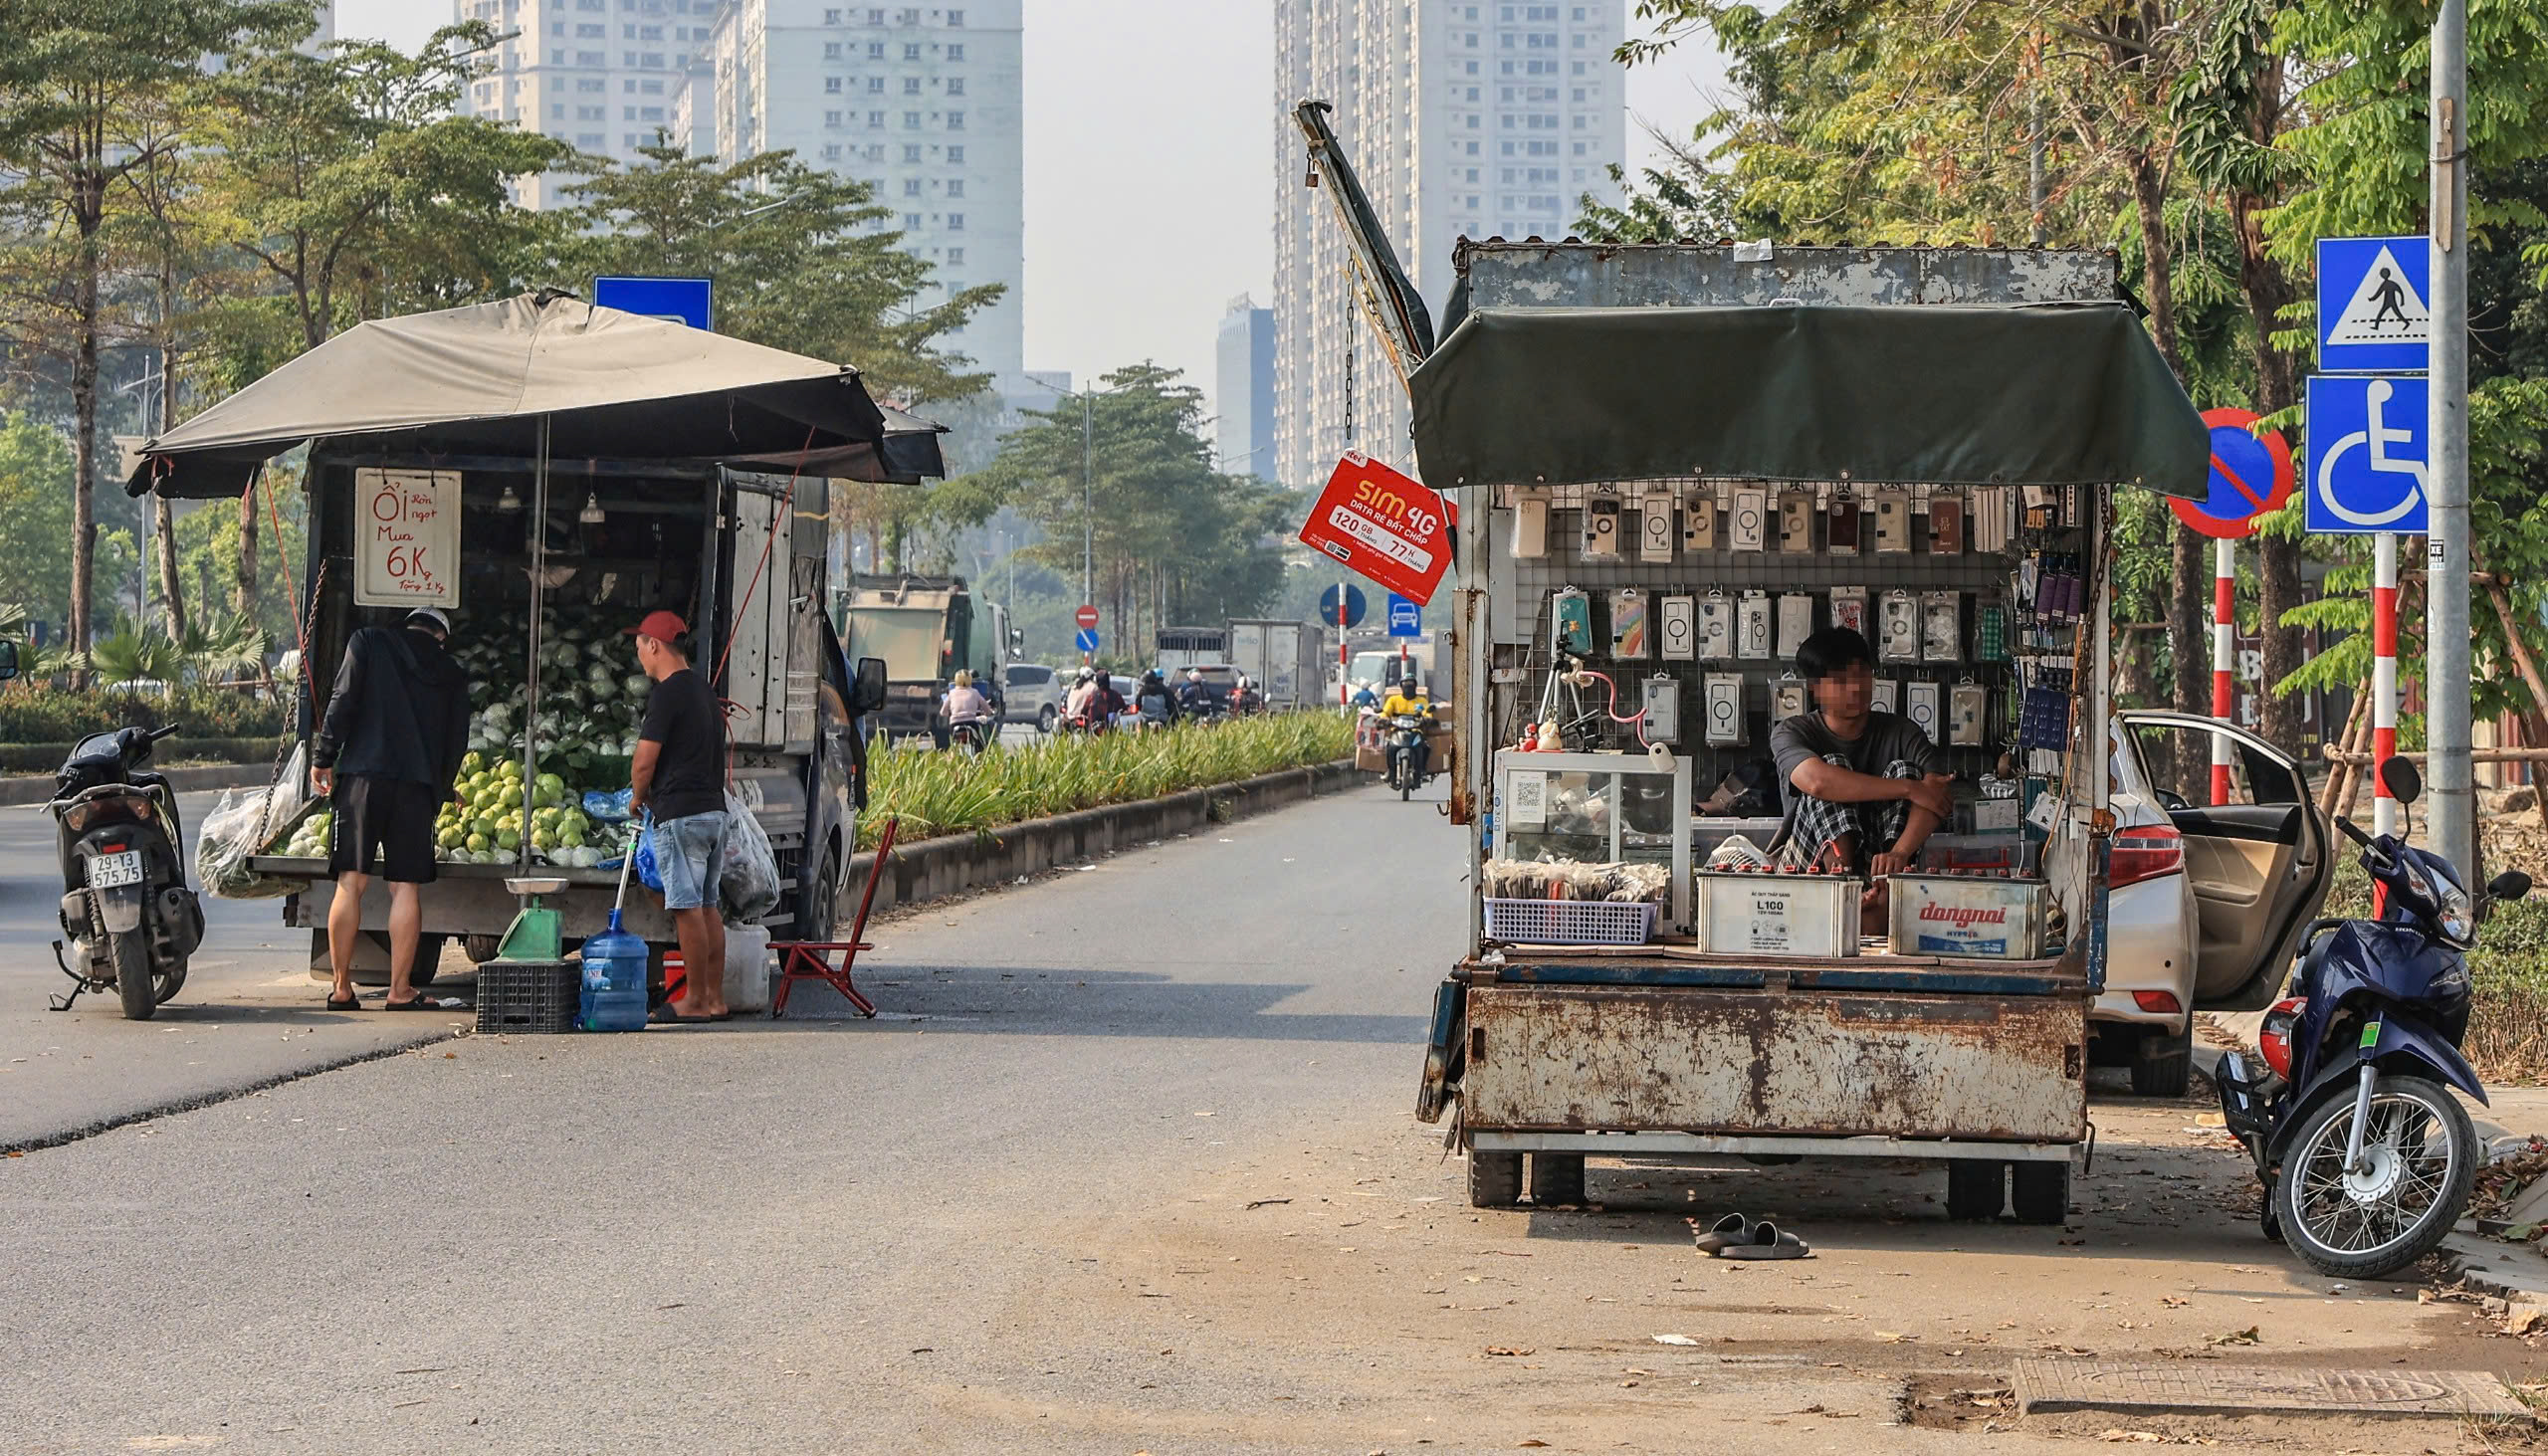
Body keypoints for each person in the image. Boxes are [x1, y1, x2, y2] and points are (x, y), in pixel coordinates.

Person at [311, 606, 469, 1011]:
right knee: (405, 887)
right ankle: (400, 991)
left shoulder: (369, 642)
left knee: (351, 882)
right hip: (415, 787)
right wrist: (440, 789)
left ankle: (342, 988)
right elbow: (456, 741)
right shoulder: (450, 671)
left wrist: (324, 755)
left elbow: (343, 698)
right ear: (441, 637)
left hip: (362, 778)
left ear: (407, 623)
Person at [1769, 626, 1955, 928]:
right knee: (1832, 768)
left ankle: (1878, 891)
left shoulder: (1902, 732)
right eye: (1840, 681)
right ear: (1815, 687)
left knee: (1905, 768)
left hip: (1878, 865)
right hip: (1807, 869)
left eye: (1861, 676)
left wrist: (1899, 852)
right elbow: (1817, 781)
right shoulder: (1792, 731)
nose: (1855, 688)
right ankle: (1842, 885)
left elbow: (1936, 796)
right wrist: (1909, 789)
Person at [627, 610, 731, 1023]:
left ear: (654, 645)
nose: (640, 658)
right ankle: (716, 998)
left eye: (639, 648)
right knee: (708, 906)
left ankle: (695, 1000)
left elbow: (644, 761)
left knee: (686, 907)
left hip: (681, 815)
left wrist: (637, 797)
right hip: (713, 813)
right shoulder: (704, 690)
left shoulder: (667, 694)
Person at [1379, 675, 1435, 784]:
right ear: (1401, 687)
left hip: (1415, 731)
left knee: (1425, 747)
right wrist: (1384, 719)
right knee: (1390, 747)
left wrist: (1427, 719)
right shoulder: (1393, 700)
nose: (1408, 688)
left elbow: (1427, 713)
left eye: (1411, 685)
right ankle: (1390, 771)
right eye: (1405, 685)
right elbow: (1385, 712)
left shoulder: (1421, 701)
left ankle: (1422, 771)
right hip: (1397, 730)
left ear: (1415, 686)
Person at [943, 669, 993, 748]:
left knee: (951, 744)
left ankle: (951, 755)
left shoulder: (951, 693)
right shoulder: (975, 692)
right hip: (971, 723)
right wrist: (988, 712)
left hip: (954, 724)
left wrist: (949, 714)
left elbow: (943, 712)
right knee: (980, 742)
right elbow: (986, 708)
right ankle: (982, 751)